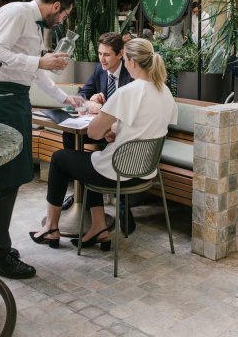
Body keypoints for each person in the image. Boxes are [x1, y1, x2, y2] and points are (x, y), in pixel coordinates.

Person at [28, 38, 178, 250]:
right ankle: (98, 227)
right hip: (146, 172)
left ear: (132, 62)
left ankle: (52, 227)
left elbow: (93, 131)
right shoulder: (165, 92)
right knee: (91, 160)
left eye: (125, 59)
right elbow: (149, 127)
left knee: (61, 158)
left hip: (117, 172)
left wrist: (101, 119)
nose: (124, 63)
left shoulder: (127, 92)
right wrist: (116, 130)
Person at [0, 0, 85, 279]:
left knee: (11, 178)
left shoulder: (35, 25)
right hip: (3, 98)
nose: (63, 20)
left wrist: (66, 98)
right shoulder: (16, 12)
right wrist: (39, 60)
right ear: (56, 6)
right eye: (65, 14)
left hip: (17, 98)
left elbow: (35, 73)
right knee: (7, 178)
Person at [60, 33, 133, 218]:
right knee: (69, 135)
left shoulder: (130, 74)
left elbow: (128, 109)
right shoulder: (100, 70)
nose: (102, 58)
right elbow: (82, 95)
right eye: (100, 53)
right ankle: (81, 192)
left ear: (120, 54)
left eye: (107, 54)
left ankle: (123, 204)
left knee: (115, 142)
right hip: (102, 128)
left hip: (121, 130)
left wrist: (100, 107)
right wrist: (88, 100)